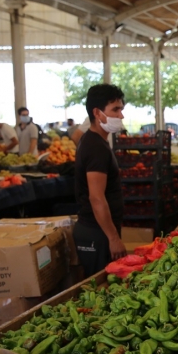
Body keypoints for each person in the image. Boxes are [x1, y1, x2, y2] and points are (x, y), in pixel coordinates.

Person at [74, 84, 127, 277]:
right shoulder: (96, 147)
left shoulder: (94, 141)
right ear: (97, 113)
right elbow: (96, 198)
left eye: (121, 109)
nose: (121, 116)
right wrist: (113, 238)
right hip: (97, 232)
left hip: (99, 230)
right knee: (101, 286)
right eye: (115, 110)